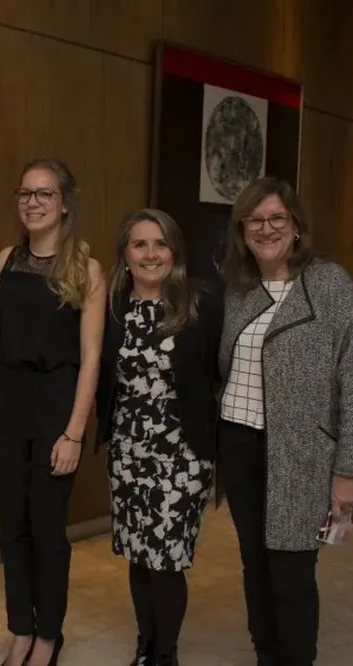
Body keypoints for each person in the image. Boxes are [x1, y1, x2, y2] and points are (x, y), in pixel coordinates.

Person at [215, 177, 353, 666]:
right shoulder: (239, 289)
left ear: (295, 226)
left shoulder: (329, 284)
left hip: (302, 455)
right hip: (241, 447)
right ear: (242, 230)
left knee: (291, 575)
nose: (266, 229)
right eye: (255, 220)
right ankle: (266, 655)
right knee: (255, 566)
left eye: (277, 219)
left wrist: (350, 471)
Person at [0, 157, 106, 666]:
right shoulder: (4, 262)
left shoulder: (86, 269)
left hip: (58, 405)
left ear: (63, 203)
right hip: (8, 405)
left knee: (46, 527)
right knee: (11, 523)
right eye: (25, 193)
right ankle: (21, 627)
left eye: (44, 193)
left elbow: (93, 356)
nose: (33, 202)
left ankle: (48, 634)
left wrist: (75, 433)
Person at [95, 209, 223, 666]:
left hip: (181, 454)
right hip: (129, 451)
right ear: (125, 254)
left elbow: (219, 374)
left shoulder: (201, 303)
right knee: (137, 554)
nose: (151, 254)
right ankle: (144, 649)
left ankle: (165, 656)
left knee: (166, 559)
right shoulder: (113, 306)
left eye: (160, 244)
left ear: (175, 252)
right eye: (140, 244)